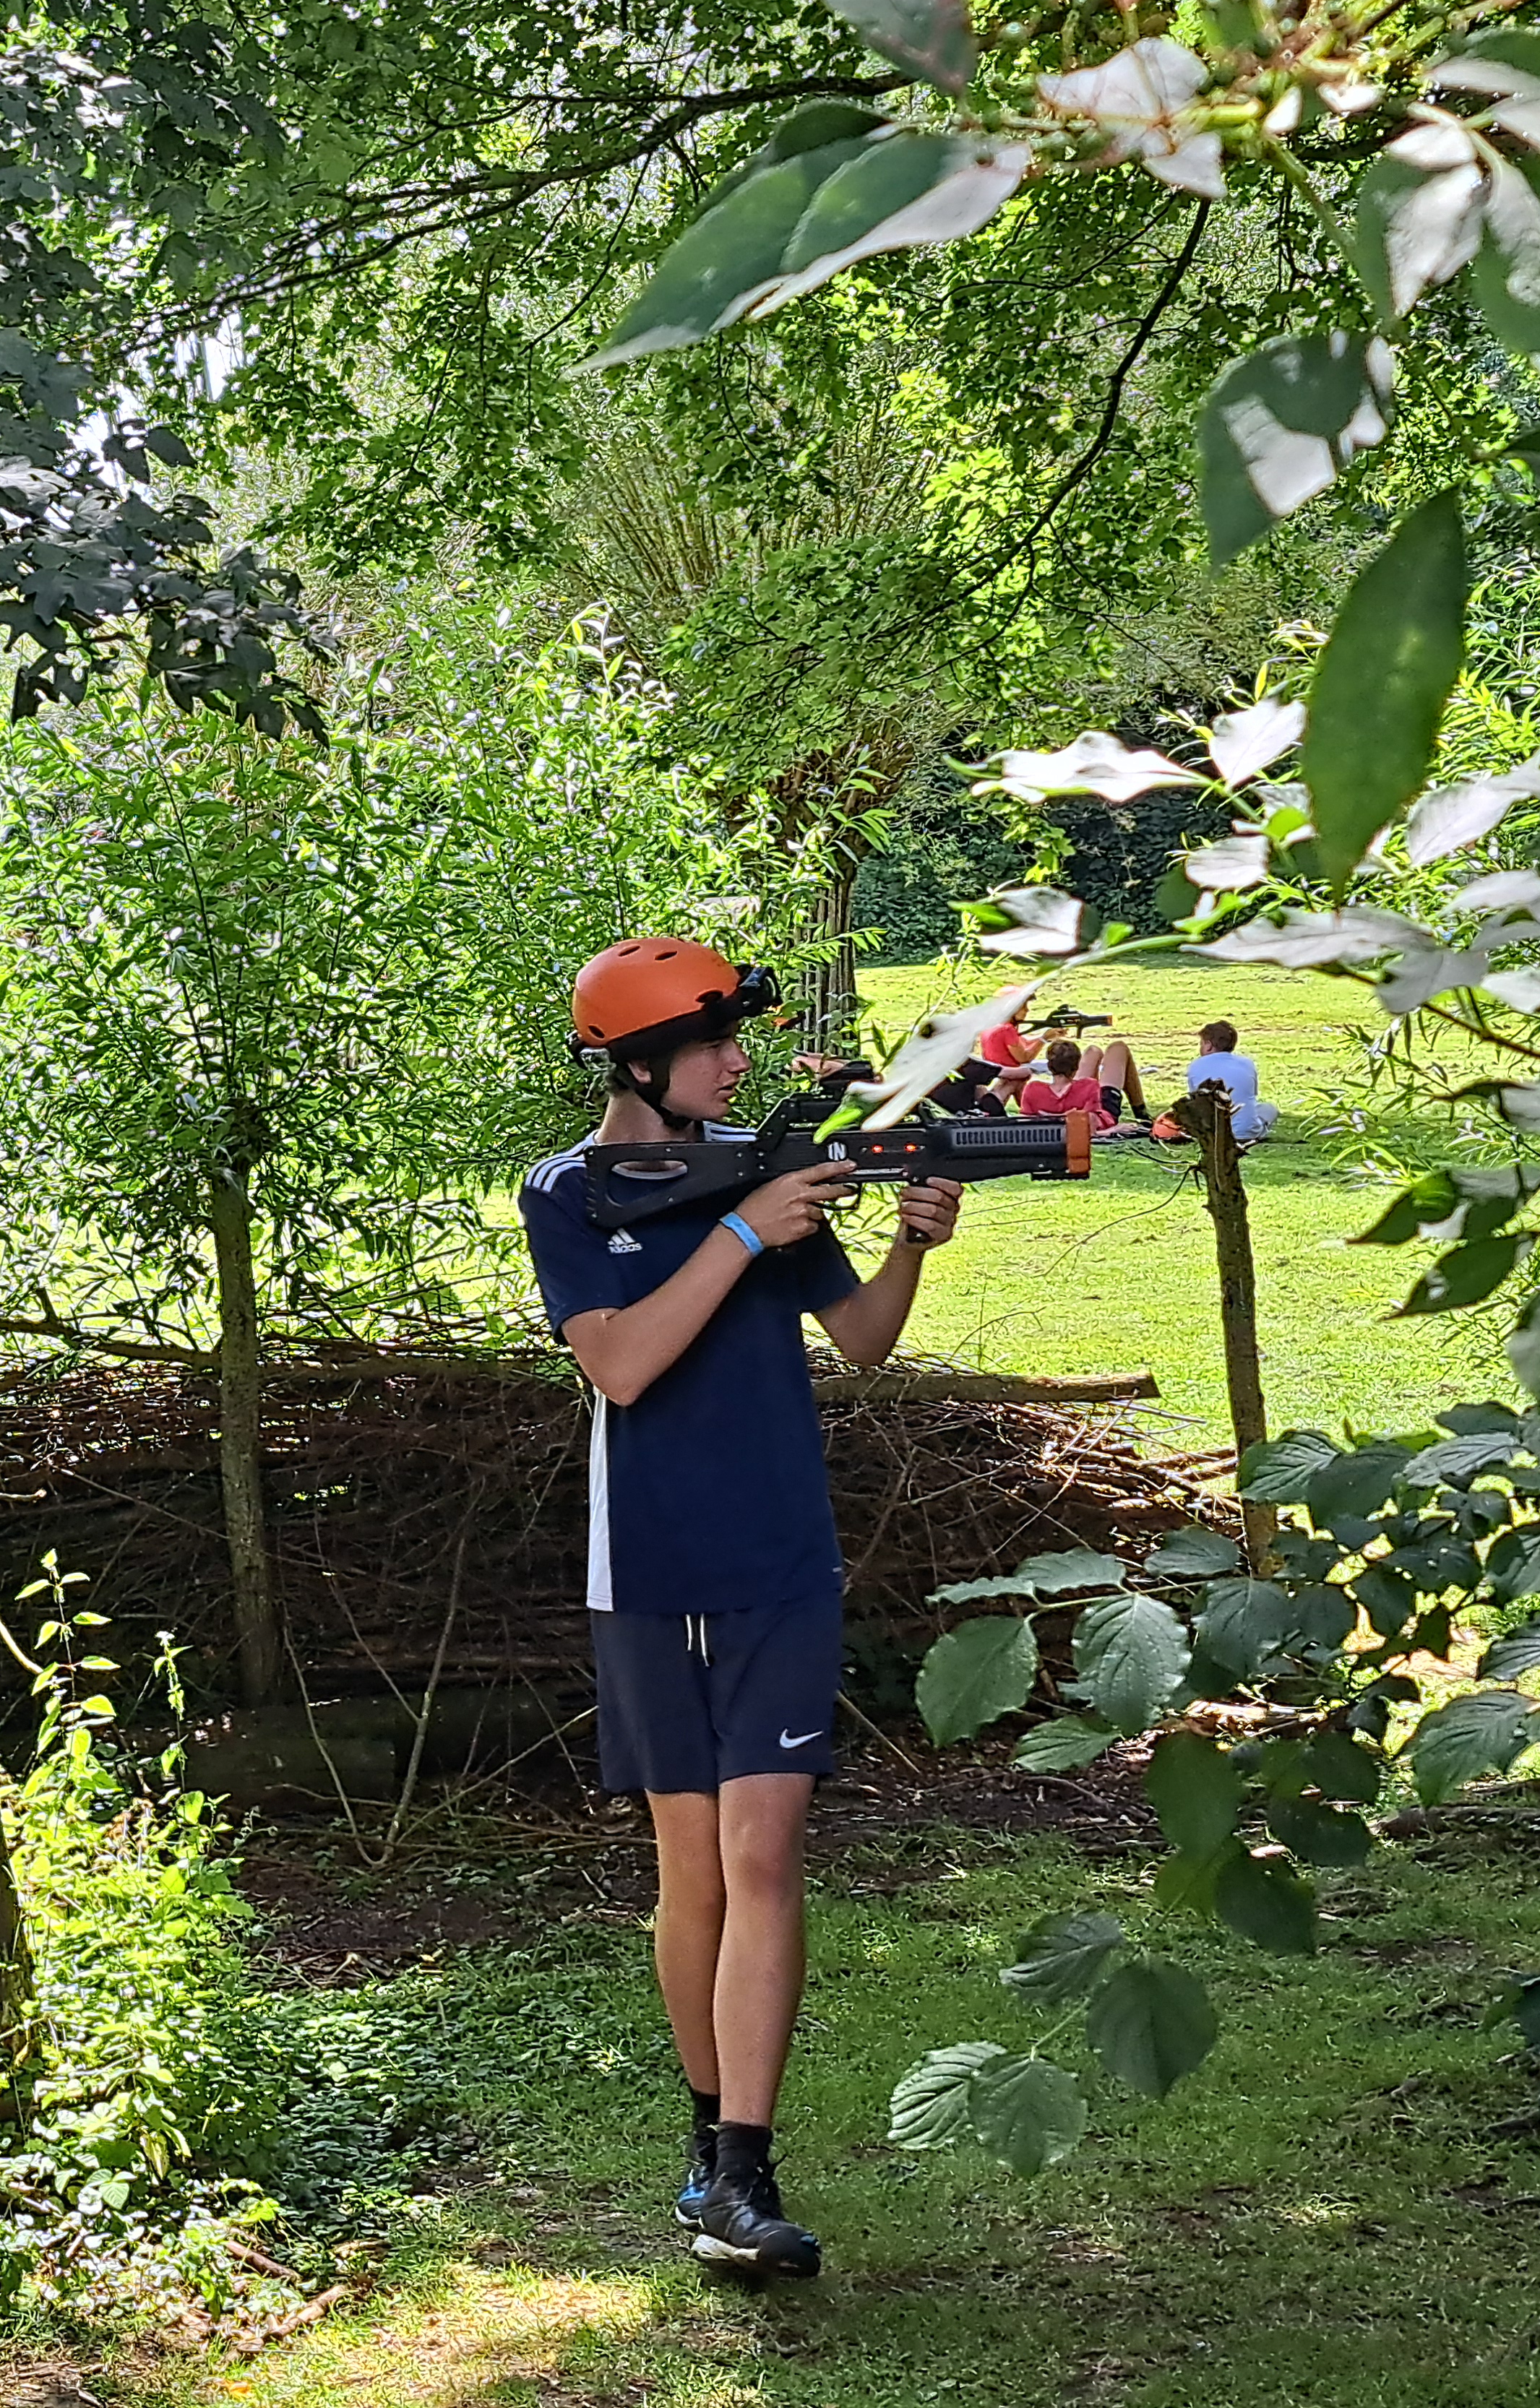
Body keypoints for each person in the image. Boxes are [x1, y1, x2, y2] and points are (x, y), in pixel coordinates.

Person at [521, 936, 963, 2280]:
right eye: (714, 1041)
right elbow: (622, 1364)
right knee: (693, 1870)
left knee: (765, 1856)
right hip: (649, 1569)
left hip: (781, 1559)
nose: (737, 1061)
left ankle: (741, 2170)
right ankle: (706, 2145)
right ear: (640, 1062)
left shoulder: (763, 1184)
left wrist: (905, 1240)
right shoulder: (567, 1194)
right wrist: (733, 1230)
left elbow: (865, 1340)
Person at [1018, 1037, 1138, 1137]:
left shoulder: (1032, 1090)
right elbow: (1090, 1129)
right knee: (1118, 1047)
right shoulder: (1090, 1086)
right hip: (1101, 1117)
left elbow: (1024, 1123)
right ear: (1077, 1067)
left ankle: (1141, 1110)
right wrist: (1113, 1130)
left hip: (1072, 1100)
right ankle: (1140, 1110)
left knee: (1093, 1051)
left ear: (1050, 1066)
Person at [1184, 1019, 1275, 1142]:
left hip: (1211, 1134)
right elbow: (1251, 1095)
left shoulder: (1196, 1066)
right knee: (1269, 1108)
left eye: (1202, 1044)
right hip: (1246, 1134)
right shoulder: (1247, 1063)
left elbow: (1196, 1101)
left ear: (1209, 1045)